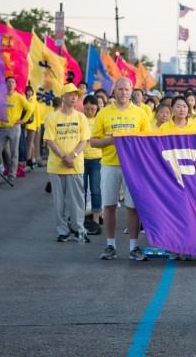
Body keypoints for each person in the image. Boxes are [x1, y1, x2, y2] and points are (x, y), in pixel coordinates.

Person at [91, 77, 150, 261]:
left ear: (132, 91)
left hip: (133, 167)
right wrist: (112, 140)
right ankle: (110, 246)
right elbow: (93, 141)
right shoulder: (104, 113)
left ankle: (134, 246)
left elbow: (147, 141)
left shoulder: (140, 113)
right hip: (110, 165)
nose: (123, 93)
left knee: (132, 207)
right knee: (109, 206)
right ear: (113, 91)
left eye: (126, 89)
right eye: (120, 89)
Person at [44, 84, 90, 242]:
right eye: (70, 94)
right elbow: (50, 140)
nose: (74, 97)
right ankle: (63, 230)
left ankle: (79, 229)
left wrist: (74, 155)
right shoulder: (53, 117)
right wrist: (64, 157)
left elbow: (84, 140)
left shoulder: (81, 117)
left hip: (76, 166)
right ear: (63, 97)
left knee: (77, 200)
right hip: (56, 167)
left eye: (76, 95)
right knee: (59, 202)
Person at [0, 76, 34, 182]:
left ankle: (12, 174)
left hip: (14, 128)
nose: (11, 84)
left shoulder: (19, 97)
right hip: (2, 128)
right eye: (9, 82)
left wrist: (23, 120)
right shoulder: (0, 96)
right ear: (5, 84)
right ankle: (1, 169)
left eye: (13, 82)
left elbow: (30, 109)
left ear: (15, 85)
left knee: (14, 151)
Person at [82, 95, 103, 233]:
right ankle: (81, 218)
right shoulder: (79, 118)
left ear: (97, 108)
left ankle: (96, 218)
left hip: (97, 159)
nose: (90, 110)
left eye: (92, 108)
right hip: (81, 159)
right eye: (87, 108)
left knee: (95, 190)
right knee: (81, 190)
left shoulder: (100, 119)